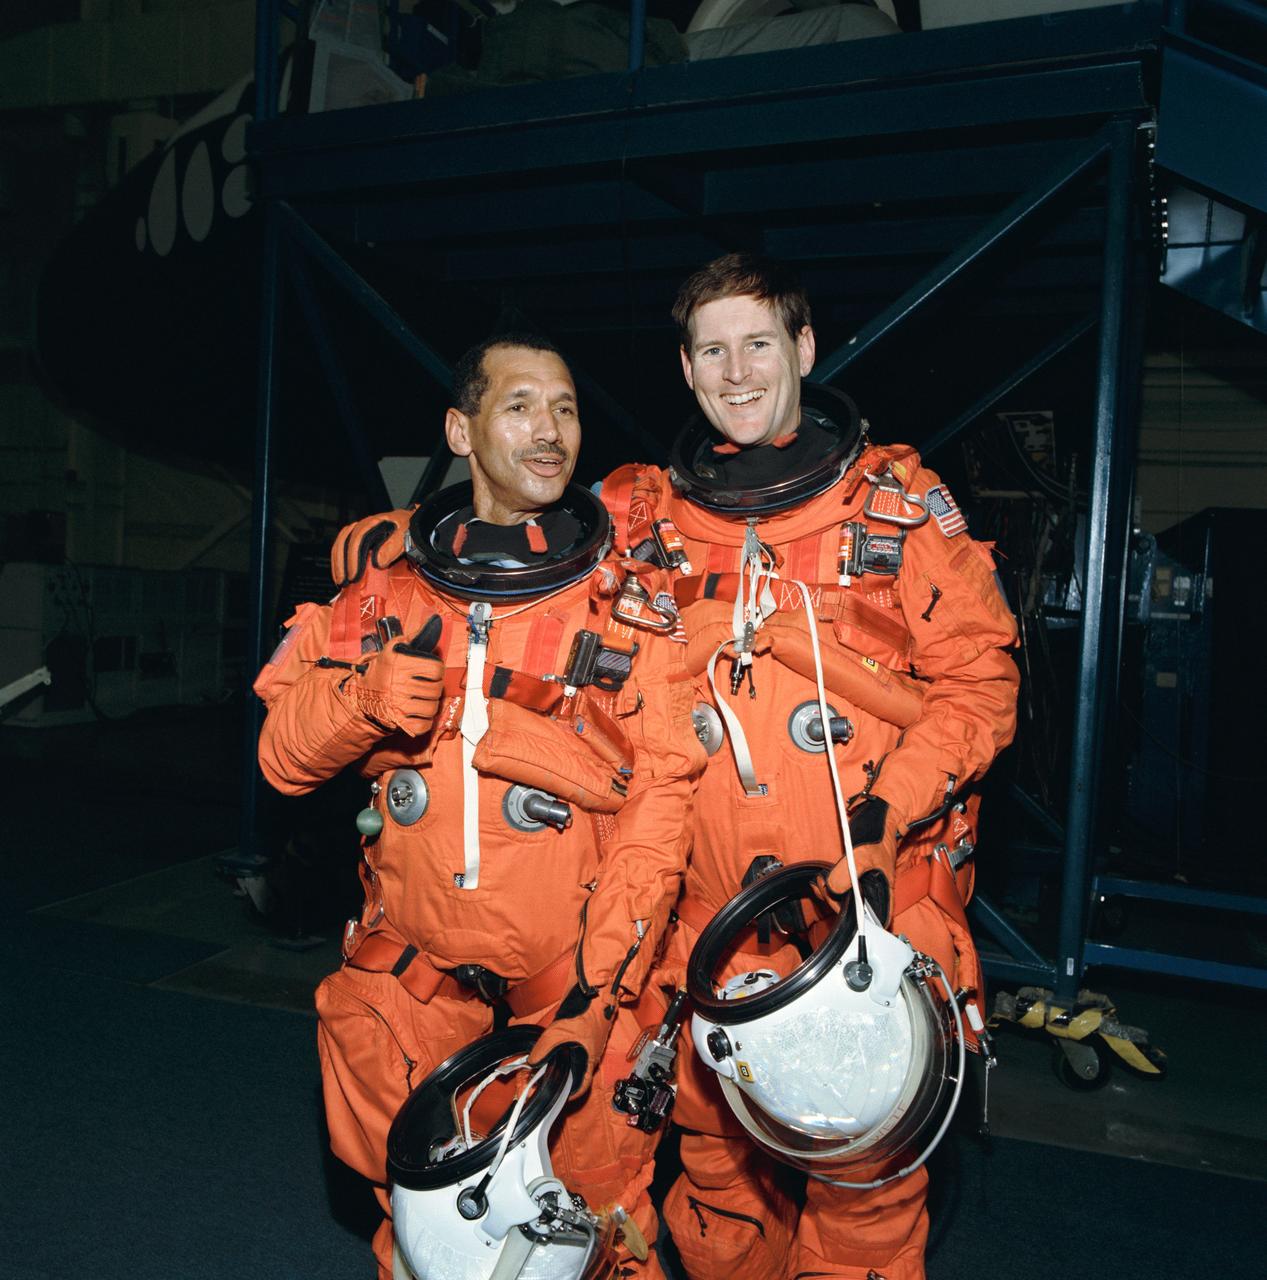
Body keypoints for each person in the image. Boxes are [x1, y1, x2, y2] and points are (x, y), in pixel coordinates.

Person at [600, 255, 1020, 1280]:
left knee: (861, 1202)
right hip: (705, 935)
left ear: (803, 348)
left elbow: (981, 688)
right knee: (718, 1199)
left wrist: (888, 807)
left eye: (758, 343)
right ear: (687, 372)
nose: (736, 370)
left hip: (860, 918)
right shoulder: (647, 525)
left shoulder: (895, 509)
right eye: (712, 350)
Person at [253, 334, 704, 1279]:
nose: (550, 433)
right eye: (521, 406)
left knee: (598, 1232)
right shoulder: (376, 593)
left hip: (572, 986)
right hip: (414, 981)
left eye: (567, 409)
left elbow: (660, 816)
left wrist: (600, 992)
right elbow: (281, 762)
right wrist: (361, 698)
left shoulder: (626, 606)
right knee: (427, 1236)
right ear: (460, 429)